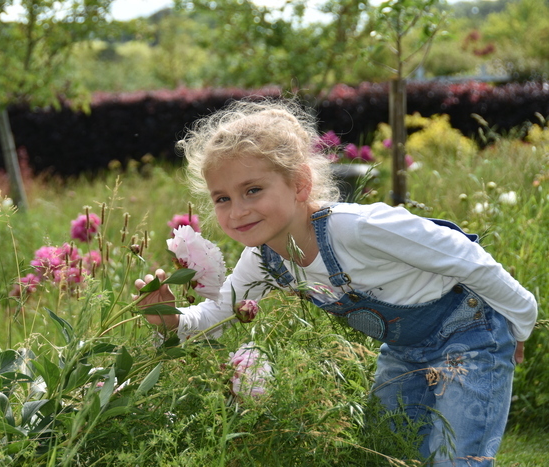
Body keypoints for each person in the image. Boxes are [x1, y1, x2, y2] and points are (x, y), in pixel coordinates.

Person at [134, 98, 537, 466]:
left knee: (458, 457)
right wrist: (170, 319)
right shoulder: (262, 260)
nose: (237, 211)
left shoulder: (357, 229)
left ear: (299, 185)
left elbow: (468, 257)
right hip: (403, 351)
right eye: (222, 198)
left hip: (468, 333)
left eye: (252, 190)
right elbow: (218, 314)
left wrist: (518, 323)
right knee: (385, 453)